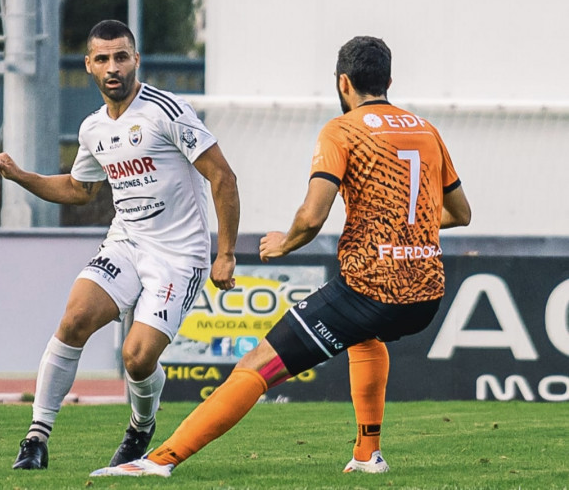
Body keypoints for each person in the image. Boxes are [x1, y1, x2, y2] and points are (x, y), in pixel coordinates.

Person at [91, 35, 471, 478]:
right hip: (426, 294)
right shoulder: (426, 130)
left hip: (371, 287)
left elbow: (312, 216)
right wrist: (405, 228)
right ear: (389, 80)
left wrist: (284, 243)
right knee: (366, 336)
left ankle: (158, 461)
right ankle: (368, 454)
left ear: (343, 82)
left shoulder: (341, 130)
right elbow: (460, 213)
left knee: (256, 366)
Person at [0, 19, 240, 470]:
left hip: (179, 256)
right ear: (88, 66)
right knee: (75, 318)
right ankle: (35, 439)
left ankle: (141, 427)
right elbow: (80, 190)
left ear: (136, 59)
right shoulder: (93, 129)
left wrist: (225, 253)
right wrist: (20, 175)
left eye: (121, 56)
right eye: (102, 59)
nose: (113, 67)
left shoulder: (167, 111)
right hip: (126, 243)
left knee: (137, 359)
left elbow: (223, 176)